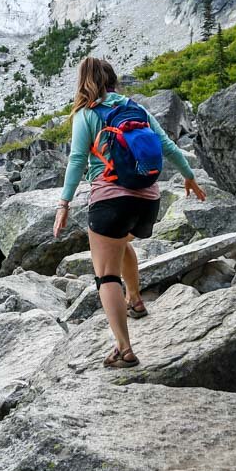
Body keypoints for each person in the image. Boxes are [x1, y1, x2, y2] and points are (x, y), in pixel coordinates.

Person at [52, 57, 205, 368]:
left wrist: (63, 204)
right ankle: (135, 300)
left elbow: (78, 160)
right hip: (148, 201)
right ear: (112, 79)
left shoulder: (86, 114)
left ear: (83, 82)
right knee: (121, 243)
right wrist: (189, 176)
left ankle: (124, 349)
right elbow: (168, 146)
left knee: (105, 275)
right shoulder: (136, 108)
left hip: (111, 200)